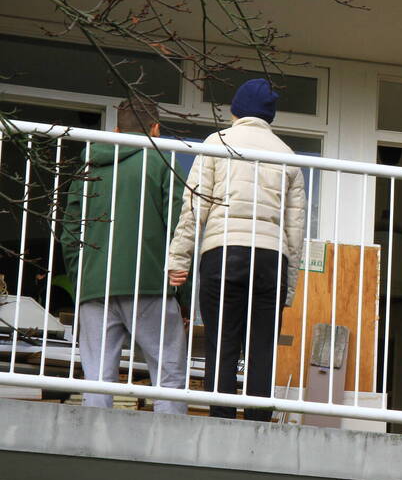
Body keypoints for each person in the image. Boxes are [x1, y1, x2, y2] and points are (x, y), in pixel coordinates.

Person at [167, 78, 306, 421]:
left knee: (222, 343)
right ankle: (257, 423)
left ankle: (222, 422)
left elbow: (194, 207)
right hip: (271, 259)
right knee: (262, 349)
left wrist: (178, 257)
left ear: (236, 110)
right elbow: (295, 229)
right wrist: (288, 287)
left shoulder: (218, 142)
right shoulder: (287, 155)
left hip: (223, 251)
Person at [61, 98, 189, 413]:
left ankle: (93, 448)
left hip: (94, 287)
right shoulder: (160, 162)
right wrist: (179, 287)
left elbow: (69, 233)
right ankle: (171, 453)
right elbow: (180, 226)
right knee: (168, 375)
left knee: (96, 379)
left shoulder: (87, 169)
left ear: (116, 130)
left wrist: (83, 279)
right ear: (156, 129)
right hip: (147, 283)